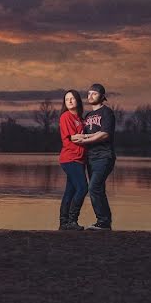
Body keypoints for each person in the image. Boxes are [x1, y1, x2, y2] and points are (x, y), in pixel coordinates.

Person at [71, 83, 116, 231]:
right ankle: (105, 222)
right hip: (90, 158)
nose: (90, 96)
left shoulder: (107, 112)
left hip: (104, 156)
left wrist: (84, 139)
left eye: (94, 93)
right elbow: (89, 134)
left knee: (94, 187)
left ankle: (103, 221)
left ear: (102, 97)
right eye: (89, 93)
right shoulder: (88, 116)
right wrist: (83, 137)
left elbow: (104, 134)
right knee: (98, 189)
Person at [58, 89, 87, 230]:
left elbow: (80, 137)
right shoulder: (66, 116)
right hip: (69, 158)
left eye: (72, 98)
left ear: (78, 101)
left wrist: (85, 137)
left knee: (70, 190)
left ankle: (64, 222)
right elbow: (73, 137)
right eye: (66, 99)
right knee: (82, 188)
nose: (69, 101)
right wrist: (89, 137)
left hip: (80, 160)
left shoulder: (81, 119)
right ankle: (72, 221)